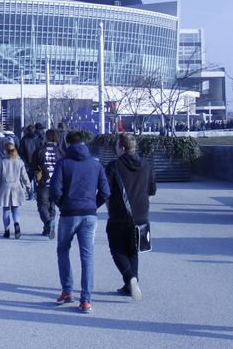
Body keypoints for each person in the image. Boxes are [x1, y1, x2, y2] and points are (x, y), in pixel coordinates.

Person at [49, 130, 110, 314]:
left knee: (62, 250)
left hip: (68, 214)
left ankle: (67, 290)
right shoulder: (96, 165)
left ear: (67, 144)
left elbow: (54, 190)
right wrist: (93, 205)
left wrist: (62, 204)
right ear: (84, 143)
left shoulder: (63, 163)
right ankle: (86, 300)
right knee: (87, 256)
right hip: (89, 214)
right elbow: (106, 192)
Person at [105, 133, 156, 302]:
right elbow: (151, 191)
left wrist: (109, 208)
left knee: (117, 249)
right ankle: (131, 284)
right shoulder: (146, 165)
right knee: (133, 250)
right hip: (141, 215)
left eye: (117, 146)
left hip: (120, 214)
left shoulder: (113, 166)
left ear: (122, 148)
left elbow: (106, 192)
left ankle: (130, 278)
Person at [0, 142, 31, 238]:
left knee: (6, 210)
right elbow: (24, 176)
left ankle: (6, 230)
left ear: (5, 150)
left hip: (4, 188)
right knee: (15, 208)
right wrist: (28, 186)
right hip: (17, 187)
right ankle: (17, 223)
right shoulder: (19, 161)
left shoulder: (1, 161)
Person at [30, 128, 62, 238]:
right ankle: (48, 229)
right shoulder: (59, 151)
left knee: (42, 206)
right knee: (52, 207)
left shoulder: (40, 150)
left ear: (46, 137)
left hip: (43, 182)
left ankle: (48, 222)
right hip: (57, 184)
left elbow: (32, 166)